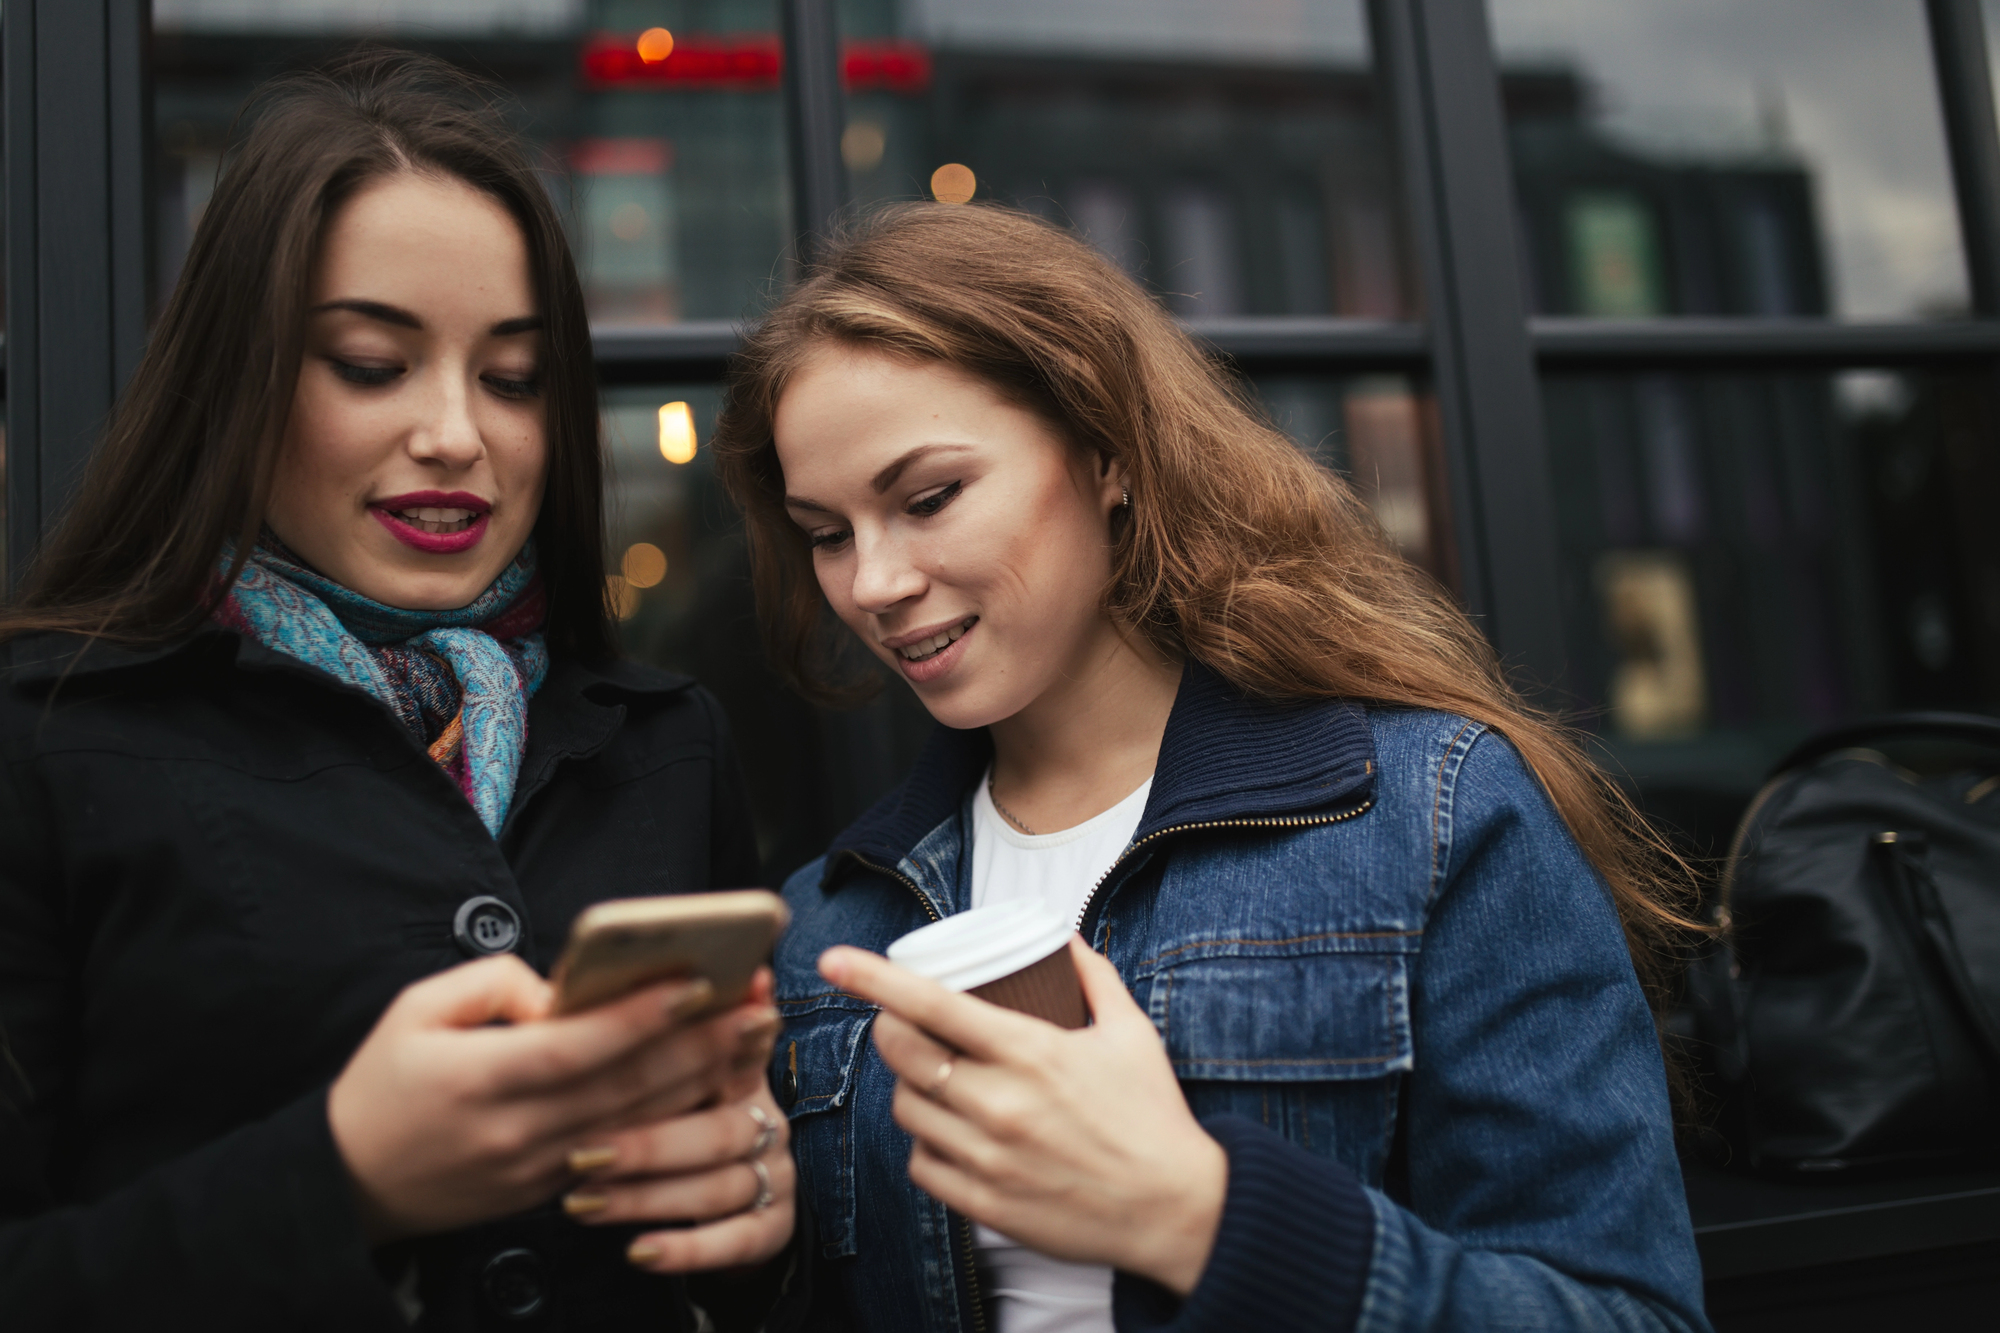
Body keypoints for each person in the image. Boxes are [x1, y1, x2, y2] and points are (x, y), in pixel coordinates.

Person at [711, 203, 1714, 1332]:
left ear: (1106, 457)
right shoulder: (830, 931)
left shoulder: (1429, 816)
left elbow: (1629, 1315)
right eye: (827, 531)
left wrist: (1200, 1218)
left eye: (928, 497)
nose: (873, 582)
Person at [0, 53, 797, 1330]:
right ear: (241, 383)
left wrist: (756, 1197)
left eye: (515, 378)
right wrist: (343, 1178)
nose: (455, 434)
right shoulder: (49, 743)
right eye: (371, 362)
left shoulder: (663, 743)